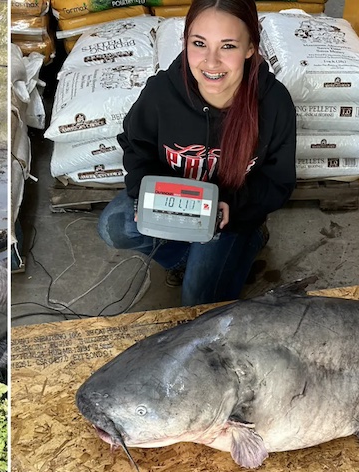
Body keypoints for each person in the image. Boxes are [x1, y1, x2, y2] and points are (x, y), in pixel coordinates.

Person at [97, 0, 296, 307]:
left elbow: (278, 180)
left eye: (227, 46)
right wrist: (144, 194)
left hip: (230, 215)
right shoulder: (162, 93)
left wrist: (235, 205)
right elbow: (137, 146)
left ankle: (249, 241)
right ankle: (185, 259)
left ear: (250, 48)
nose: (211, 62)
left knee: (197, 302)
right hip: (175, 200)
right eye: (199, 44)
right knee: (114, 227)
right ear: (185, 42)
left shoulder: (274, 104)